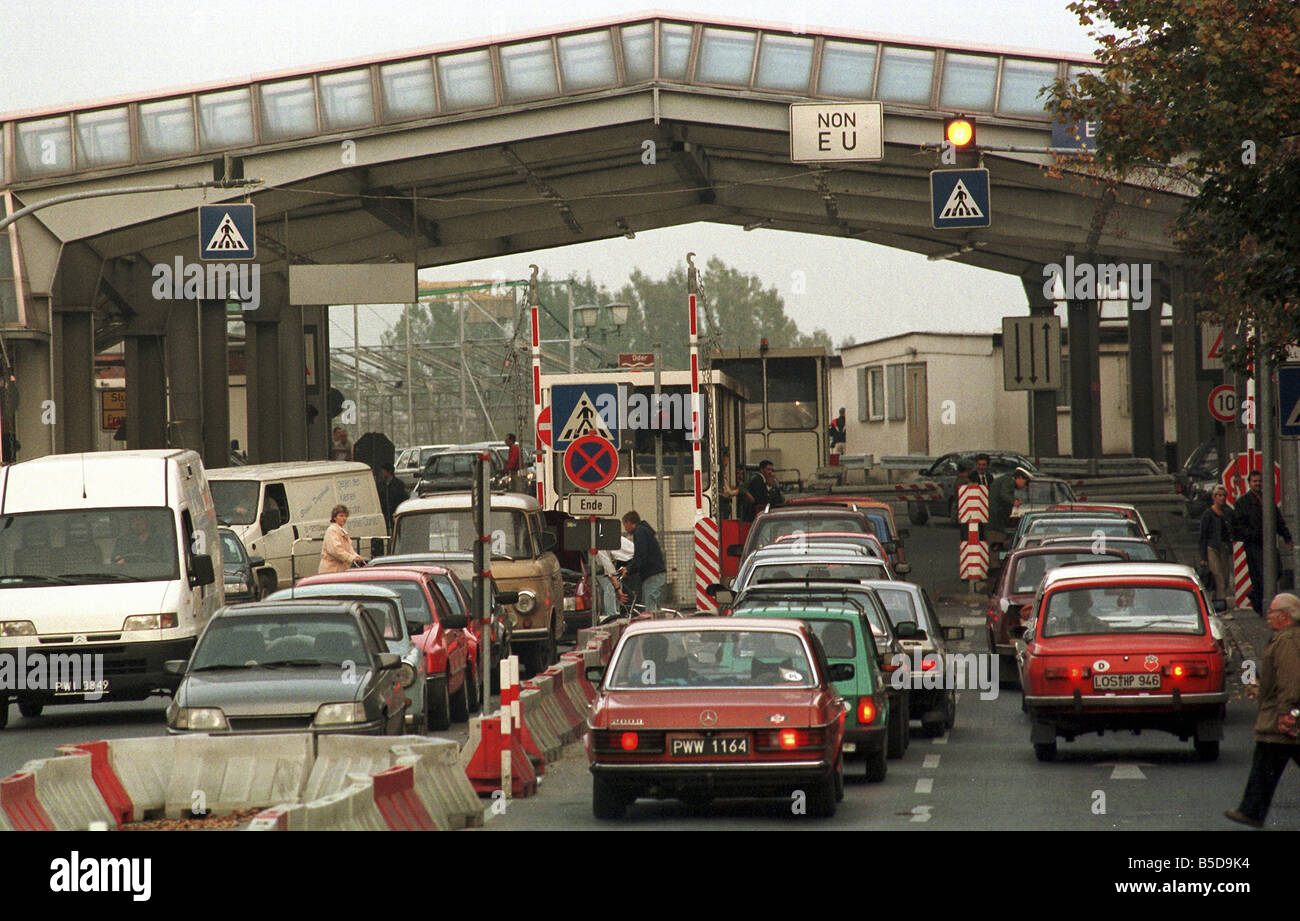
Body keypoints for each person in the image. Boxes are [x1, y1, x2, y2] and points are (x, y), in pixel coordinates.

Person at [1224, 592, 1300, 828]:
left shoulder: (1287, 641)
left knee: (1266, 762)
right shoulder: (1284, 637)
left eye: (1272, 612)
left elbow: (1290, 679)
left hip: (1280, 715)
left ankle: (1252, 811)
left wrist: (1286, 712)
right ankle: (1251, 810)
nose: (1268, 616)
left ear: (1284, 616)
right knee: (1265, 763)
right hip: (1276, 714)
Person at [1233, 470, 1294, 615]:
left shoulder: (1268, 500)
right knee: (1259, 575)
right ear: (1249, 483)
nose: (1257, 484)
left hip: (1269, 544)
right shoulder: (1242, 503)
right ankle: (1260, 605)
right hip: (1253, 545)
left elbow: (1278, 521)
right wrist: (1251, 535)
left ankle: (1258, 598)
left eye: (1259, 481)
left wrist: (1287, 537)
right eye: (1254, 481)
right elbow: (1238, 526)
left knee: (1277, 570)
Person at [619, 510, 667, 611]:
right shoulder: (644, 530)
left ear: (628, 522)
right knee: (651, 604)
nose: (625, 529)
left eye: (625, 525)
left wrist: (629, 570)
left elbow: (640, 555)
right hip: (655, 573)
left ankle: (650, 626)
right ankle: (656, 624)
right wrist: (629, 568)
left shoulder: (640, 532)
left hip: (652, 574)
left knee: (649, 606)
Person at [1198, 485, 1236, 604]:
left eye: (1224, 495)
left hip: (1224, 547)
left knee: (1225, 576)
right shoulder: (1208, 514)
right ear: (1214, 497)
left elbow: (1234, 527)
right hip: (1212, 548)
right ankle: (1221, 605)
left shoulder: (1228, 512)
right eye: (1219, 495)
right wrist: (1203, 557)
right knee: (1217, 575)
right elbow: (1202, 536)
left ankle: (1216, 600)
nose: (1222, 498)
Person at [319, 504, 364, 573]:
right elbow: (335, 550)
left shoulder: (341, 530)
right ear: (334, 517)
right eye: (341, 516)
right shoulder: (332, 530)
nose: (344, 518)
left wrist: (356, 556)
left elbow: (349, 548)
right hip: (331, 569)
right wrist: (351, 558)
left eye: (346, 516)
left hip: (340, 569)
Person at [377, 463, 408, 533]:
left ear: (389, 472)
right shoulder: (381, 484)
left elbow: (404, 497)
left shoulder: (398, 484)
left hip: (395, 511)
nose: (382, 473)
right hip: (385, 513)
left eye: (384, 471)